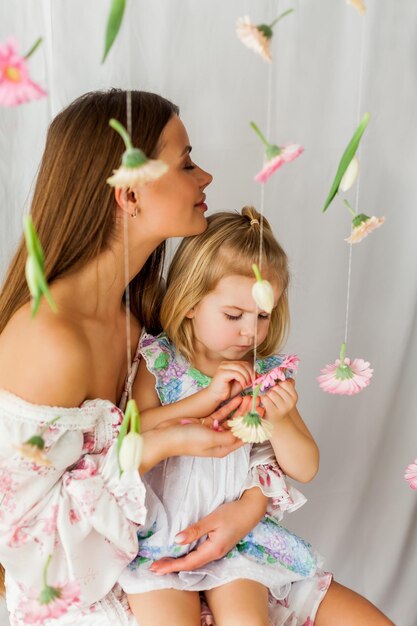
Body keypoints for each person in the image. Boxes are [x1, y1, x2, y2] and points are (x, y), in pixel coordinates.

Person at [0, 89, 267, 625]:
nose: (206, 177)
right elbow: (25, 548)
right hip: (79, 592)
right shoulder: (48, 341)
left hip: (163, 555)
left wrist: (242, 504)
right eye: (186, 162)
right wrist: (158, 444)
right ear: (129, 195)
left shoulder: (138, 317)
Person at [120, 208, 396, 626]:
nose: (250, 332)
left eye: (262, 315)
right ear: (191, 303)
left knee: (248, 620)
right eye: (234, 315)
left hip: (240, 544)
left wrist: (281, 420)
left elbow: (305, 468)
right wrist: (204, 399)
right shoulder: (161, 361)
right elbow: (134, 432)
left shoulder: (265, 376)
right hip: (163, 536)